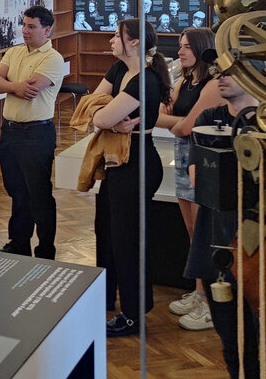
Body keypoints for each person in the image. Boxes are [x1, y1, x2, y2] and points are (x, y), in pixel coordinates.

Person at [188, 69, 266, 377]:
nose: (220, 77)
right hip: (218, 246)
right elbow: (199, 181)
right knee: (234, 348)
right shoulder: (208, 116)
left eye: (230, 72)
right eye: (217, 72)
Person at [90, 18, 172, 337]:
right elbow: (91, 107)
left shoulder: (142, 81)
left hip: (135, 163)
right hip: (124, 163)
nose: (111, 40)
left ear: (134, 42)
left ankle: (134, 314)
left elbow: (99, 115)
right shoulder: (131, 75)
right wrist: (107, 118)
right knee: (112, 233)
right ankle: (119, 301)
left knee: (128, 241)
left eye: (117, 35)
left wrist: (106, 119)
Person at [156, 28, 223, 330]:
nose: (180, 51)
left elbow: (187, 127)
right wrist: (178, 123)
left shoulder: (212, 84)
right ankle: (199, 292)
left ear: (201, 49)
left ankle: (211, 302)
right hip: (183, 156)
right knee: (192, 230)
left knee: (205, 234)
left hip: (203, 159)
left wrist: (178, 124)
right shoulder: (183, 80)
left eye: (186, 47)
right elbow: (159, 115)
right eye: (180, 46)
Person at [0, 6, 64, 259]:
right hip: (10, 133)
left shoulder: (52, 58)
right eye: (23, 25)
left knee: (39, 195)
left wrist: (9, 86)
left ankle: (45, 250)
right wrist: (14, 87)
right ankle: (18, 244)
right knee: (17, 193)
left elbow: (30, 89)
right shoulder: (14, 51)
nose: (25, 31)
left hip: (36, 135)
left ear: (47, 29)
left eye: (31, 27)